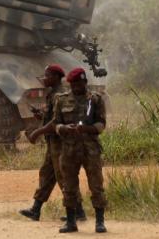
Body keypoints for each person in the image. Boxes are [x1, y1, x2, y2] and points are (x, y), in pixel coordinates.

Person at [19, 65, 85, 222]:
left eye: (47, 75)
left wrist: (37, 132)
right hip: (53, 143)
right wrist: (41, 116)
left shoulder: (59, 95)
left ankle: (79, 211)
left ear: (56, 77)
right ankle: (36, 209)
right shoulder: (53, 94)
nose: (44, 78)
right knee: (47, 174)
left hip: (60, 142)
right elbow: (54, 118)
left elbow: (56, 122)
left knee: (64, 176)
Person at [54, 67, 107, 233]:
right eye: (73, 83)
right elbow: (56, 124)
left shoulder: (95, 100)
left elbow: (101, 125)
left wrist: (87, 129)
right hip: (69, 150)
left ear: (85, 82)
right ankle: (71, 222)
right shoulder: (61, 100)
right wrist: (64, 128)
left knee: (96, 185)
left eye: (78, 82)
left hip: (90, 150)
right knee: (69, 186)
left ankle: (100, 222)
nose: (76, 86)